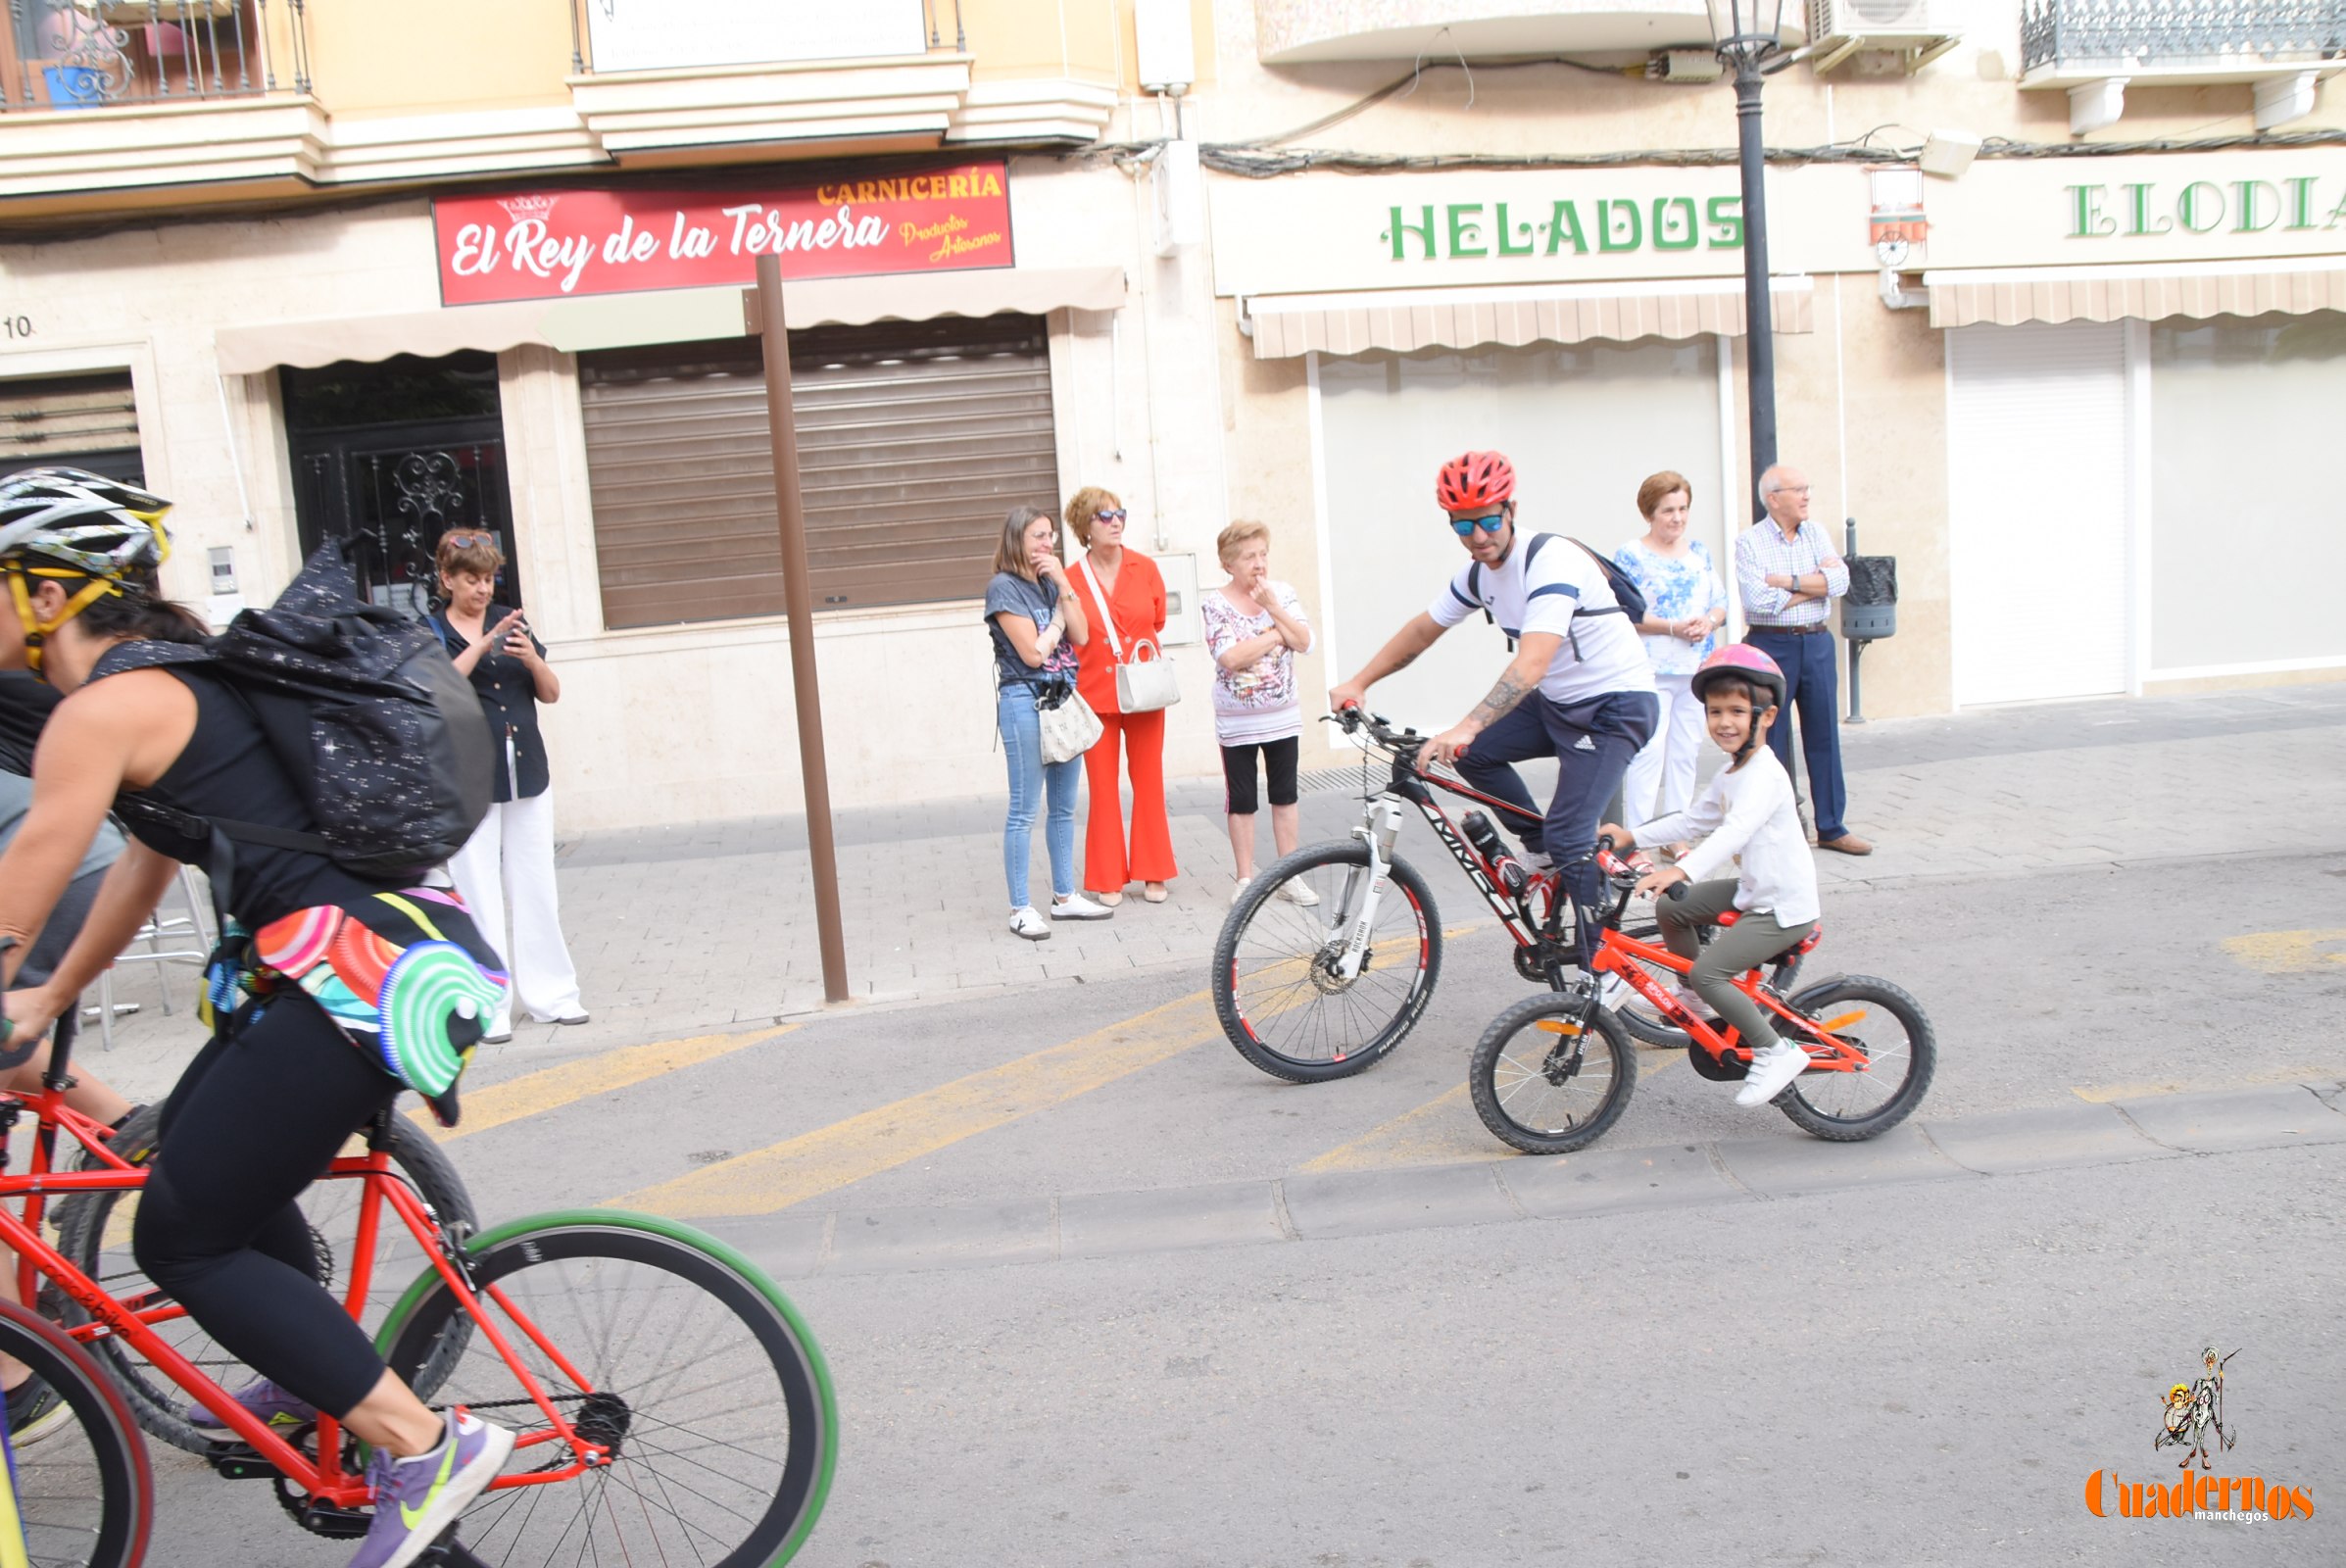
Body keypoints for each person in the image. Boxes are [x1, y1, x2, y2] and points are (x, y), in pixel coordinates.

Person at [0, 468, 514, 1568]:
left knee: (181, 1236)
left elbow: (26, 878)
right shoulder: (165, 683)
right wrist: (45, 993)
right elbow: (142, 870)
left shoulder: (99, 710)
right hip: (358, 968)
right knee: (180, 1160)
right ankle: (306, 1370)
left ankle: (424, 1444)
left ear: (48, 595)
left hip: (357, 980)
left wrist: (21, 966)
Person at [1329, 451, 1656, 962]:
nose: (1478, 536)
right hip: (1558, 704)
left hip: (1615, 707)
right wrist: (1360, 680)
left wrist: (1465, 724)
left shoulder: (1551, 560)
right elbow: (1423, 630)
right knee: (1475, 755)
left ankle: (1605, 971)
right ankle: (1544, 849)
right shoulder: (1480, 575)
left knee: (1572, 834)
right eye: (1463, 524)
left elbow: (1533, 663)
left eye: (1487, 520)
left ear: (1510, 509)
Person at [1599, 645, 1819, 1109]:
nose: (1724, 721)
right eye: (1715, 711)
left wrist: (1682, 868)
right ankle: (1692, 1001)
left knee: (1710, 973)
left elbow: (1735, 831)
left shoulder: (1765, 775)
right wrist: (1630, 835)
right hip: (1753, 891)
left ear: (1768, 715)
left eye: (1738, 711)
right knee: (1673, 907)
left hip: (1782, 908)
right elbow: (1694, 820)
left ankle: (1776, 1051)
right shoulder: (1731, 771)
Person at [430, 529, 585, 1040]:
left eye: (489, 578)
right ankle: (486, 1004)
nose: (482, 589)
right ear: (447, 579)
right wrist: (482, 646)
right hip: (470, 778)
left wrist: (530, 658)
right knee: (477, 892)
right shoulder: (432, 631)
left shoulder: (512, 625)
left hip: (528, 772)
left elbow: (552, 693)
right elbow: (437, 691)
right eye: (472, 579)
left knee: (536, 884)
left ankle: (552, 996)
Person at [1733, 464, 1872, 856]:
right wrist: (1815, 585)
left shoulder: (1816, 532)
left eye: (1807, 488)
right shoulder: (1750, 542)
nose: (1807, 495)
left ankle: (1832, 826)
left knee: (1824, 735)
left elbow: (1842, 582)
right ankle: (1774, 826)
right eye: (1799, 489)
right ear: (1774, 498)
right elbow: (1758, 602)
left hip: (1817, 642)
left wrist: (1787, 582)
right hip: (1771, 646)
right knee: (1769, 739)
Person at [987, 506, 1112, 940]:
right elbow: (1032, 654)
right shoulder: (1003, 588)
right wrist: (1057, 620)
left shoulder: (1048, 583)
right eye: (1039, 536)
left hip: (1061, 700)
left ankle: (1065, 897)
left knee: (1063, 808)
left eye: (1051, 536)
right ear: (1017, 538)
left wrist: (1063, 585)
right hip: (1025, 699)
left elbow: (1081, 634)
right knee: (1024, 809)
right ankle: (1020, 907)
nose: (1047, 544)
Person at [1063, 486, 1179, 905]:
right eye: (1104, 516)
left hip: (1145, 691)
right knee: (1102, 787)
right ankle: (1109, 875)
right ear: (1085, 527)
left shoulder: (1145, 568)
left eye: (1120, 514)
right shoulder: (1071, 578)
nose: (1115, 522)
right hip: (1094, 695)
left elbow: (1158, 620)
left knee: (1148, 781)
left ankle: (1153, 872)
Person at [1200, 521, 1316, 906]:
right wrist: (1273, 634)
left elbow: (1304, 641)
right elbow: (1230, 657)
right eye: (1249, 556)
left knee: (1285, 796)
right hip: (1237, 721)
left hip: (1282, 715)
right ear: (1228, 563)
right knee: (1243, 799)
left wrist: (1273, 610)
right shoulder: (1216, 603)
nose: (1259, 563)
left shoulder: (1282, 594)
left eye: (1263, 553)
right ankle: (1246, 878)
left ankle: (1290, 875)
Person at [1614, 471, 1728, 826]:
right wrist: (1673, 628)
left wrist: (1709, 621)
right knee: (1650, 752)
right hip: (1651, 669)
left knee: (1685, 753)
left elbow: (1720, 602)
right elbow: (1625, 613)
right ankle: (1638, 835)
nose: (1677, 518)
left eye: (1683, 509)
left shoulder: (1699, 553)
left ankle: (1676, 829)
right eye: (1668, 510)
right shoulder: (1631, 555)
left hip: (1695, 670)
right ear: (1650, 513)